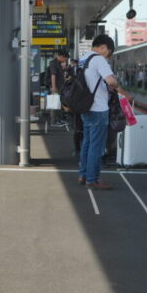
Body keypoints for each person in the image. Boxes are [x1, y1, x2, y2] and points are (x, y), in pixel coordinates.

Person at [77, 34, 131, 190]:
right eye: (109, 51)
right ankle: (92, 179)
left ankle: (83, 175)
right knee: (96, 145)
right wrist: (115, 80)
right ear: (103, 47)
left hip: (85, 107)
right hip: (98, 108)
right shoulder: (99, 59)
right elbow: (111, 81)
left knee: (87, 143)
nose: (108, 56)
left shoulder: (83, 59)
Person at [48, 51, 72, 127]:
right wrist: (54, 86)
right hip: (55, 87)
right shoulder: (53, 63)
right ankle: (53, 121)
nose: (65, 61)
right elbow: (53, 75)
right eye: (65, 59)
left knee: (58, 103)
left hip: (59, 86)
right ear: (62, 56)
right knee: (54, 104)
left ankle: (57, 119)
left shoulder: (58, 63)